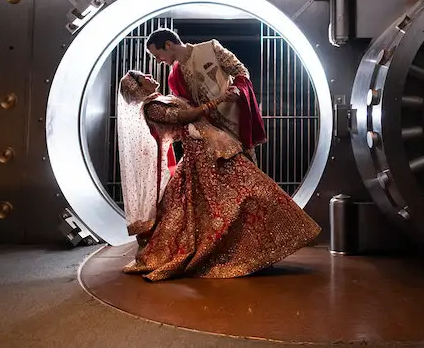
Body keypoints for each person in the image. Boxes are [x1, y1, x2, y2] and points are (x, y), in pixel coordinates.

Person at [116, 70, 320, 281]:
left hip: (211, 144)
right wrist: (220, 99)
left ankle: (254, 249)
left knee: (241, 194)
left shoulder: (162, 99)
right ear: (138, 88)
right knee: (241, 194)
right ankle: (238, 253)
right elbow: (187, 116)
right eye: (144, 77)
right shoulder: (151, 108)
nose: (149, 76)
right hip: (203, 152)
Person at [145, 28, 266, 164]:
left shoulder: (210, 48)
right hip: (211, 133)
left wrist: (237, 89)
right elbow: (187, 107)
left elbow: (240, 71)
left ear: (168, 45)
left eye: (157, 55)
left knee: (248, 166)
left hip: (235, 119)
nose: (158, 61)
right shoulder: (174, 76)